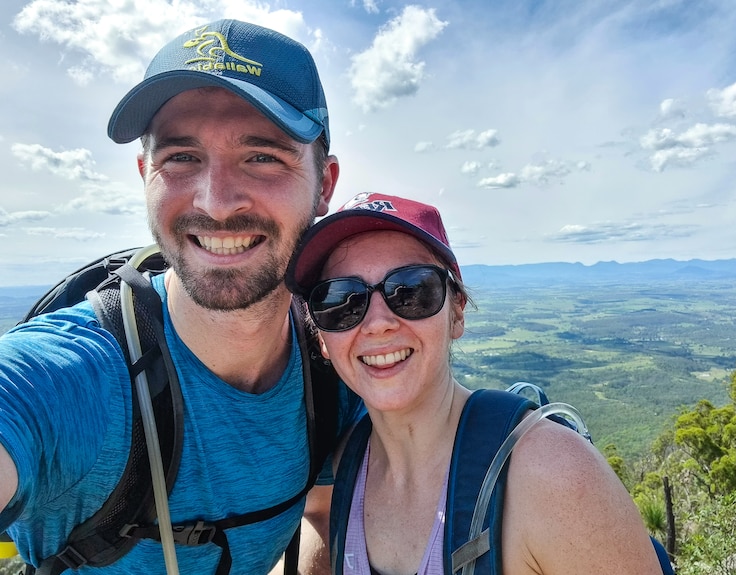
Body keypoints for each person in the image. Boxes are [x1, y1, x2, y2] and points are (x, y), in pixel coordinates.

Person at [0, 19, 361, 574]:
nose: (216, 204)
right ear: (146, 173)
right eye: (181, 158)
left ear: (324, 185)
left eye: (263, 156)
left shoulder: (333, 365)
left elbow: (322, 506)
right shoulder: (72, 379)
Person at [284, 192, 665, 574]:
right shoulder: (342, 470)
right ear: (322, 339)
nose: (378, 321)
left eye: (411, 290)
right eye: (341, 300)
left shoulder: (553, 478)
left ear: (457, 314)